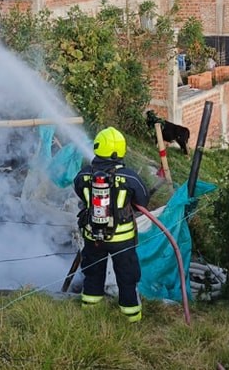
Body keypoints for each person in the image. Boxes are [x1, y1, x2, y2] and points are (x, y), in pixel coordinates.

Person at [73, 126, 150, 322]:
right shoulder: (129, 176)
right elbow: (143, 200)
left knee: (92, 273)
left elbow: (79, 191)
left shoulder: (84, 175)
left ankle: (89, 311)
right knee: (127, 276)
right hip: (122, 240)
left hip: (93, 236)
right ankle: (131, 317)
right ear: (120, 150)